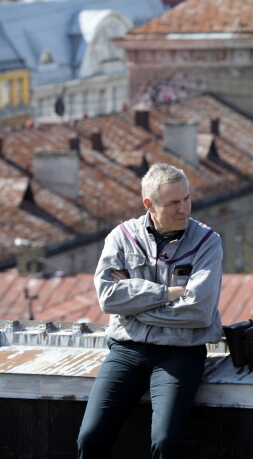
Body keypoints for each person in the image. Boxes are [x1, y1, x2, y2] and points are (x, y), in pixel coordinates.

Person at [77, 163, 223, 458]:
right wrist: (167, 294)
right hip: (126, 350)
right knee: (90, 438)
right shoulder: (122, 237)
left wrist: (134, 307)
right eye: (173, 203)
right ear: (149, 204)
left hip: (179, 351)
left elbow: (199, 312)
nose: (184, 209)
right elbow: (108, 298)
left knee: (164, 442)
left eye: (187, 198)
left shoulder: (208, 242)